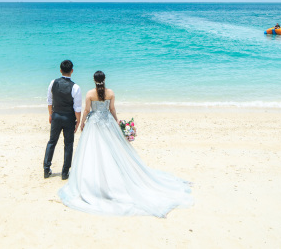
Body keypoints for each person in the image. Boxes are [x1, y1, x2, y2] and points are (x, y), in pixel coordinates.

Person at [58, 70, 193, 217]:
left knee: (94, 152)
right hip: (107, 123)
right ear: (104, 79)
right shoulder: (110, 93)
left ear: (93, 80)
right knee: (113, 150)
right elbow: (112, 109)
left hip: (94, 125)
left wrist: (82, 122)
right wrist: (116, 121)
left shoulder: (90, 94)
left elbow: (86, 110)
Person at [44, 59, 81, 180]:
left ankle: (46, 168)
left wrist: (51, 114)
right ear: (72, 71)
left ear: (60, 70)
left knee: (52, 142)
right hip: (69, 117)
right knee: (68, 144)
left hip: (56, 115)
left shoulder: (53, 82)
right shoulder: (75, 87)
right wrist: (78, 121)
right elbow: (77, 107)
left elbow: (49, 100)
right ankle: (65, 172)